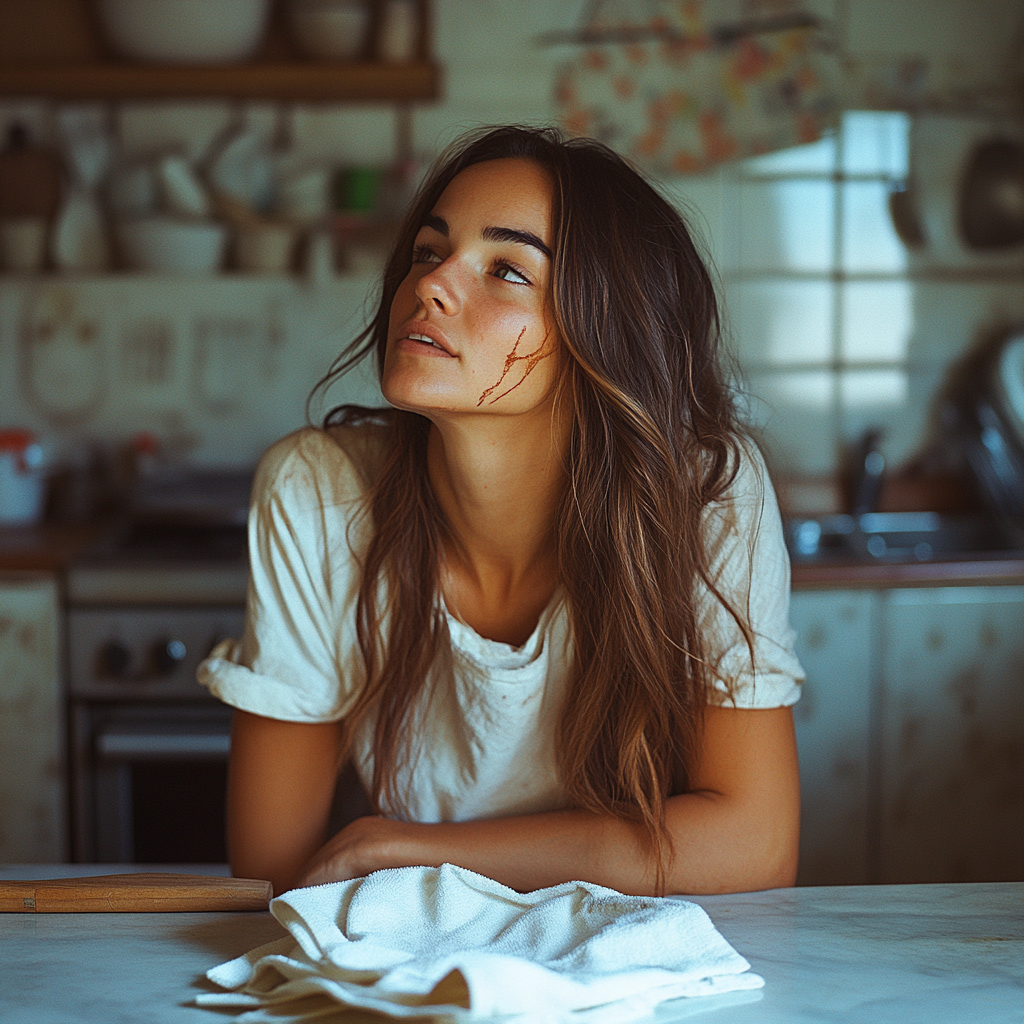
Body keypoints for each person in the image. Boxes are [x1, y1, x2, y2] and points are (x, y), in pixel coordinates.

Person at [199, 125, 804, 899]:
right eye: (427, 251)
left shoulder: (706, 494)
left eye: (508, 269)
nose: (431, 285)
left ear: (603, 335)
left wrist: (409, 851)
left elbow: (756, 846)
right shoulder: (317, 492)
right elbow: (273, 875)